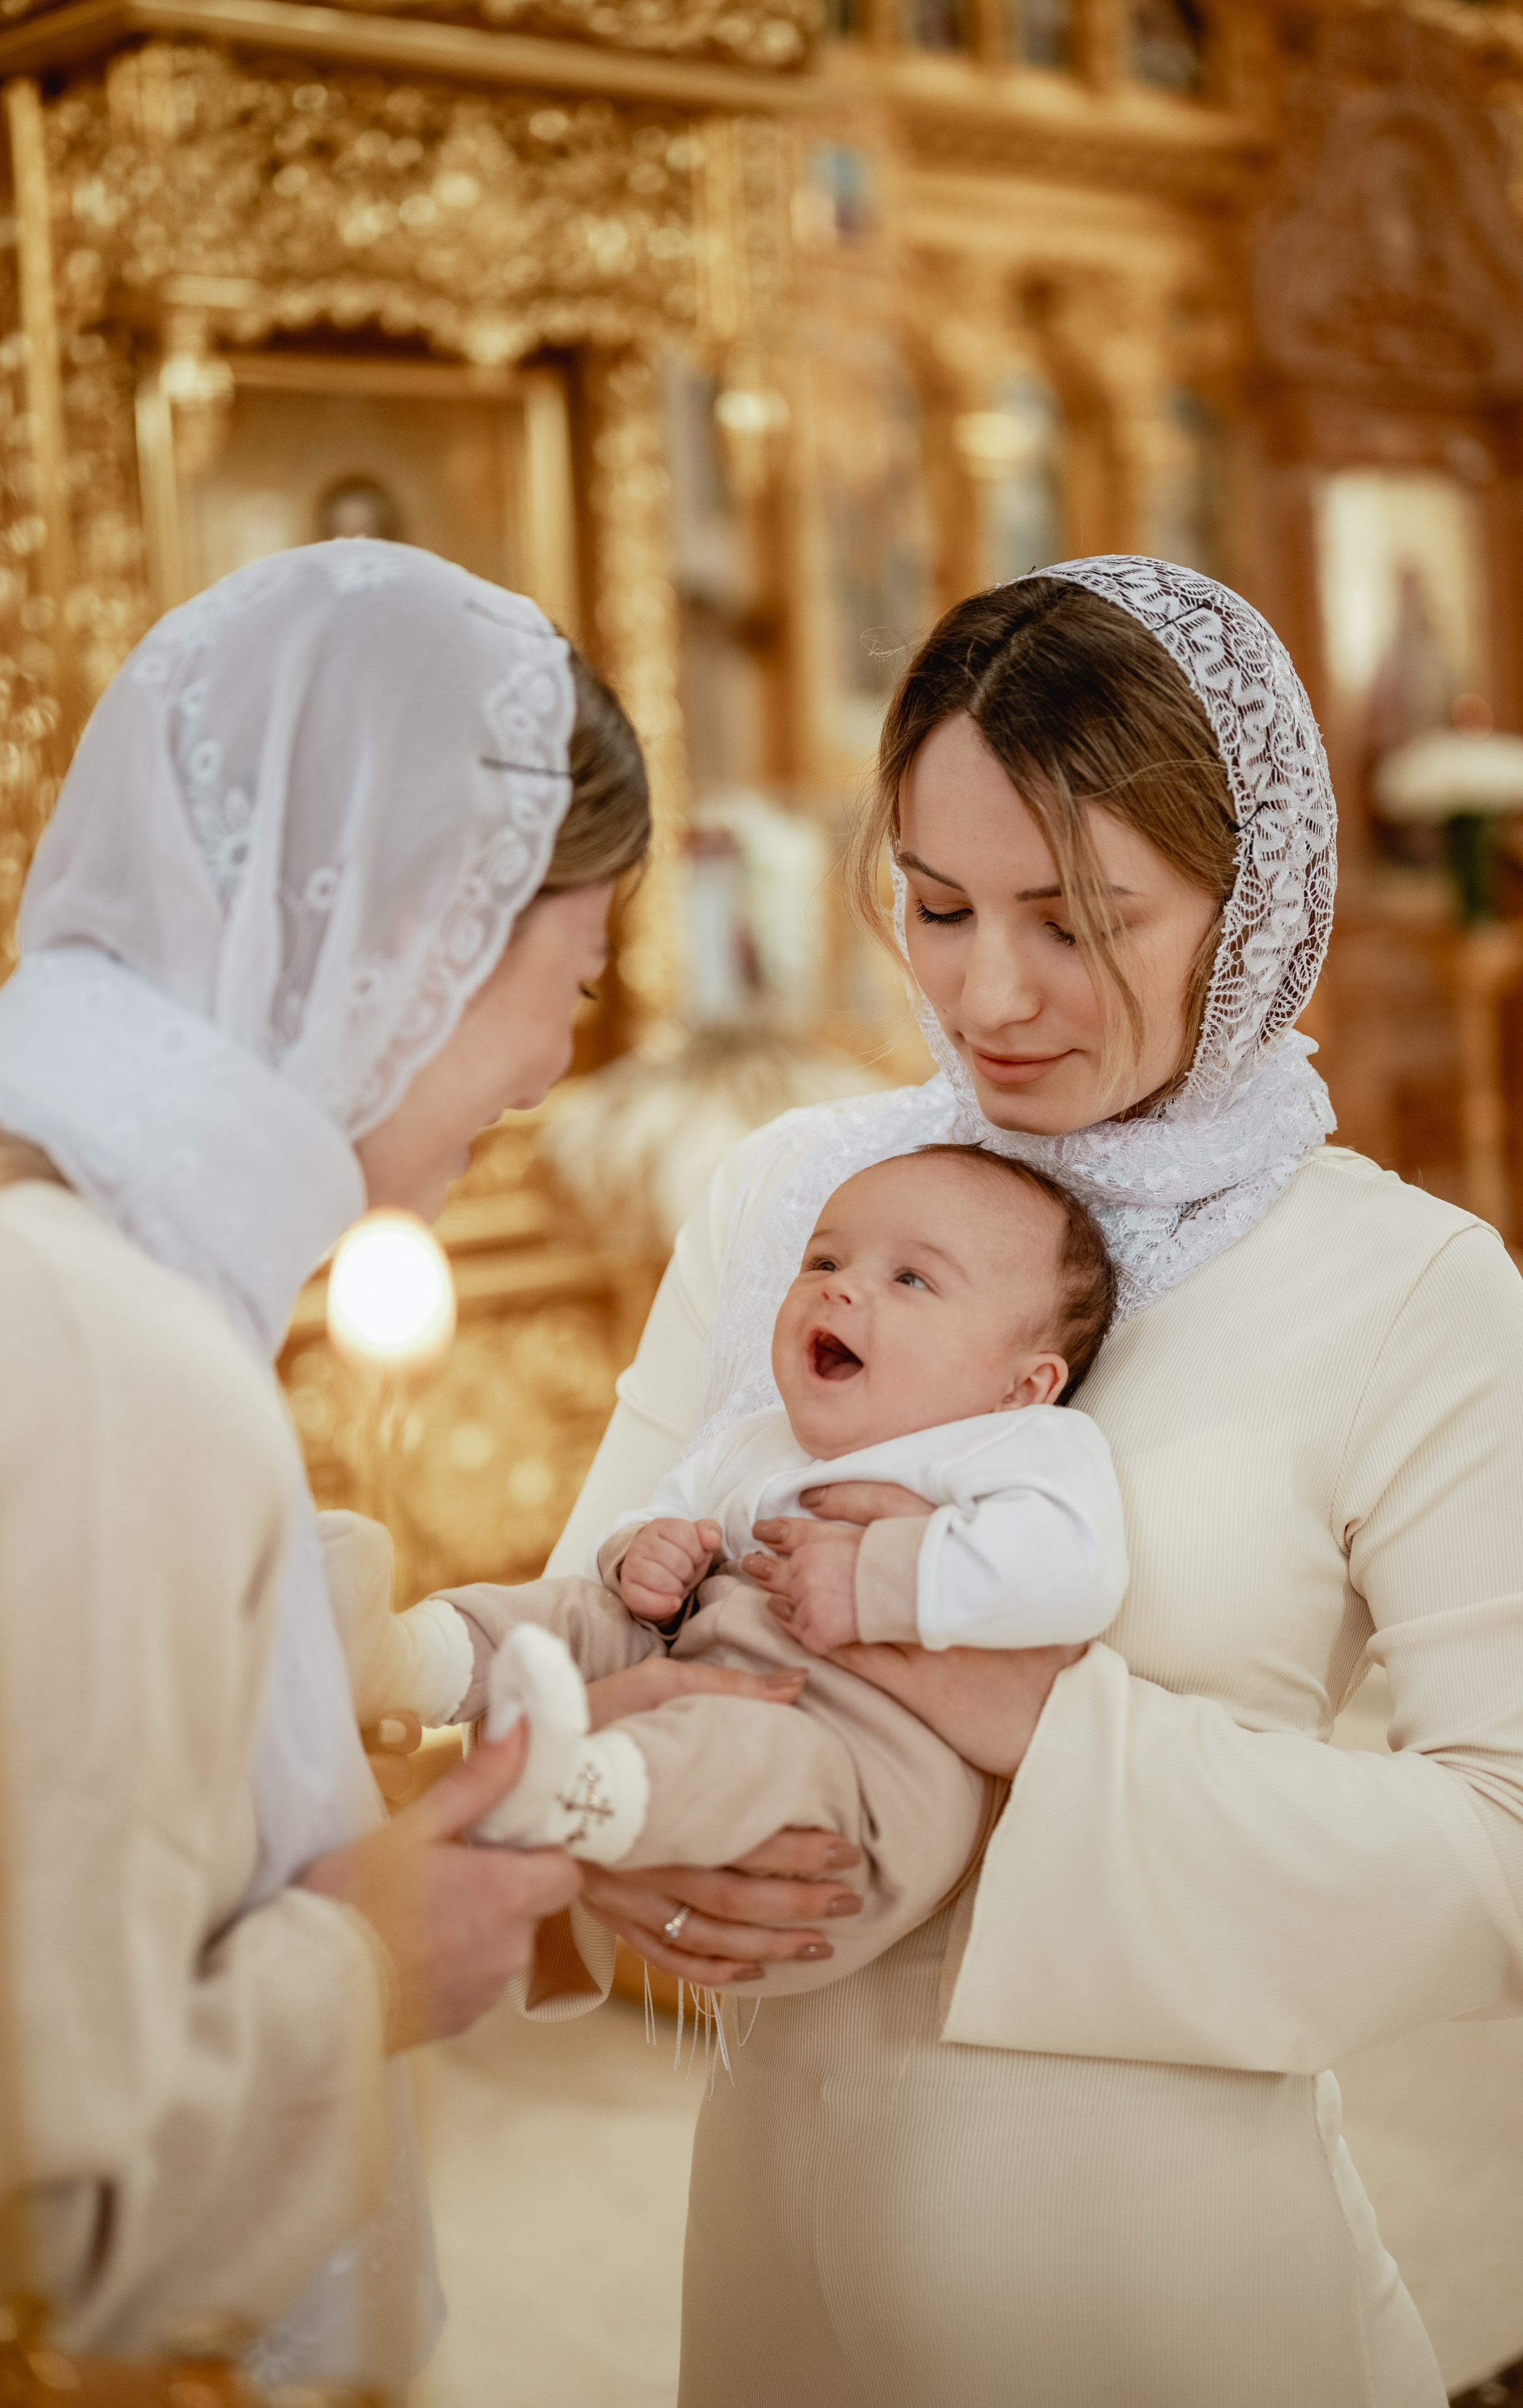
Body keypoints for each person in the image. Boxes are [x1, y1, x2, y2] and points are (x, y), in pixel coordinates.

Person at [544, 558, 1523, 2405]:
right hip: (776, 2257)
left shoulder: (1406, 1284)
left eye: (1080, 919)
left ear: (1250, 903)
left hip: (1164, 2292)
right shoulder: (801, 1203)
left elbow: (1509, 1853)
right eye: (934, 904)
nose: (990, 993)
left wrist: (1029, 1715)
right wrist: (615, 1834)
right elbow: (601, 1602)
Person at [0, 542, 783, 2389]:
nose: (556, 1060)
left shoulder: (36, 1222)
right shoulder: (97, 1349)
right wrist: (365, 1977)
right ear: (419, 934)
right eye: (574, 972)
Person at [329, 1145, 1124, 1999]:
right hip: (702, 1672)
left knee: (761, 1750)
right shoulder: (760, 1440)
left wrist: (881, 1576)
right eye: (824, 1259)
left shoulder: (1022, 1446)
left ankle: (581, 1788)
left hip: (856, 1774)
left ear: (1024, 1383)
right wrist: (644, 1554)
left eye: (913, 1281)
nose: (841, 1287)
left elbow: (1074, 1565)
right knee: (584, 1610)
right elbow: (653, 1515)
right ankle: (401, 1660)